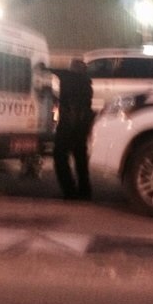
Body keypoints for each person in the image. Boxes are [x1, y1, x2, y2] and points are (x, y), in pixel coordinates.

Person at [50, 59, 94, 200]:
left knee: (60, 156)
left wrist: (43, 67)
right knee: (80, 158)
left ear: (73, 69)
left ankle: (69, 190)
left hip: (69, 124)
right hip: (82, 125)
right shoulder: (87, 83)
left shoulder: (68, 77)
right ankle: (85, 191)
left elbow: (55, 71)